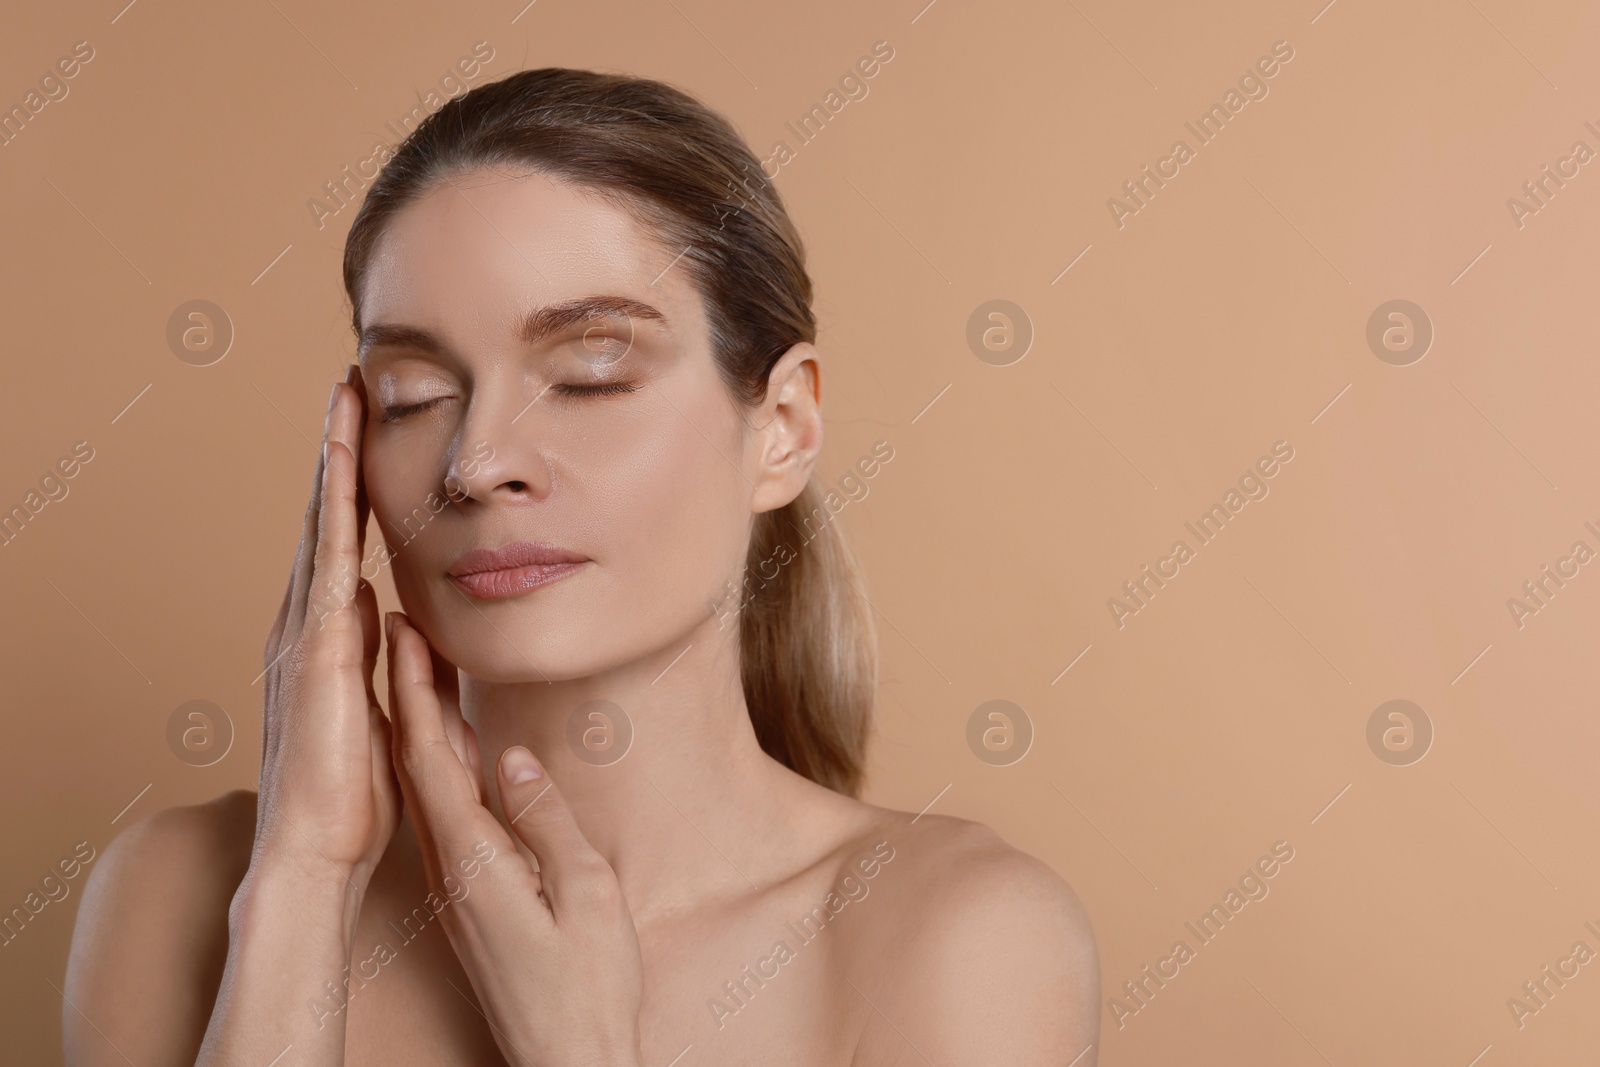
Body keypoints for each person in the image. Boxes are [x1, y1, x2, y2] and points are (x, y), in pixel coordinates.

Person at [63, 67, 1099, 1066]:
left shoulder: (954, 938)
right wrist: (300, 885)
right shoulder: (182, 892)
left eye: (589, 373)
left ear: (782, 427)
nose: (476, 463)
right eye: (414, 394)